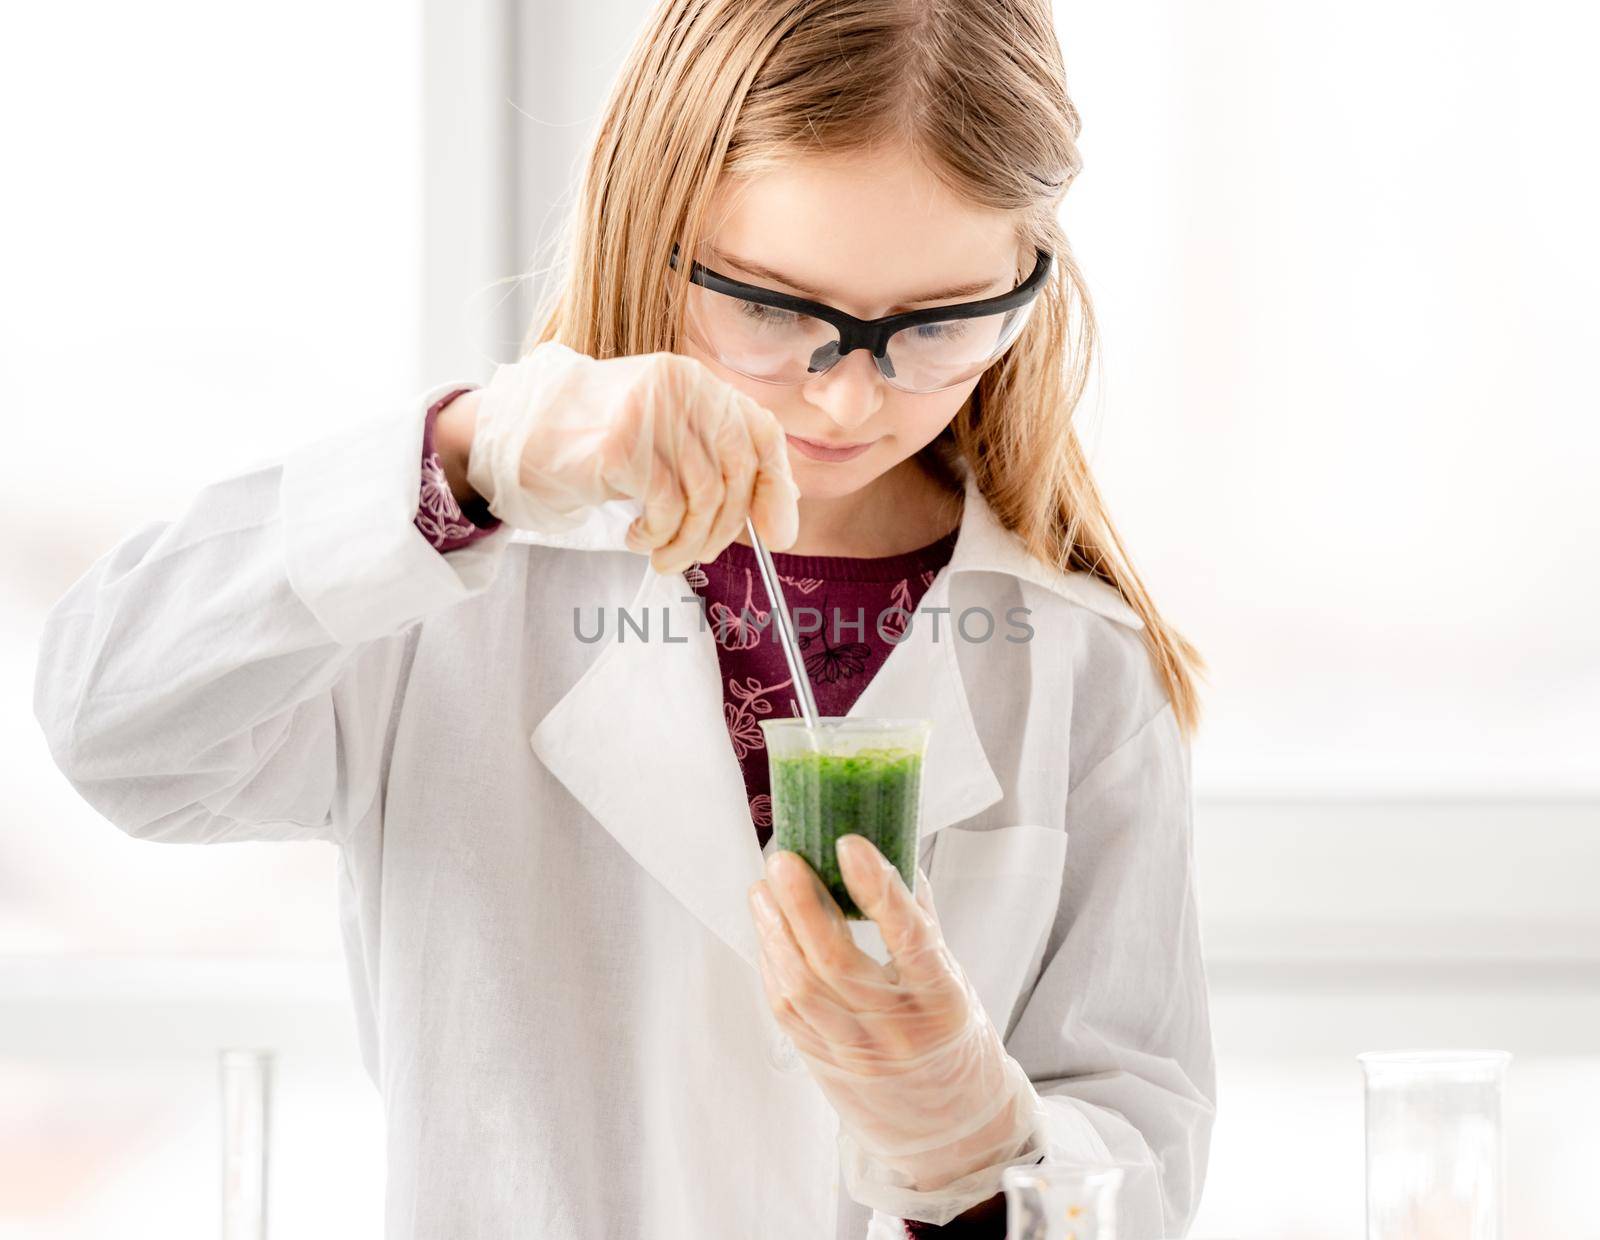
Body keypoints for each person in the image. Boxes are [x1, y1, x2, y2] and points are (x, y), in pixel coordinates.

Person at [31, 1, 1216, 1236]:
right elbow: (112, 721)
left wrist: (975, 1141)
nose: (851, 391)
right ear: (656, 227)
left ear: (1030, 281)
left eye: (940, 324)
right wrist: (463, 457)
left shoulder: (1077, 666)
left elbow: (1138, 1169)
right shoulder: (452, 581)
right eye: (771, 306)